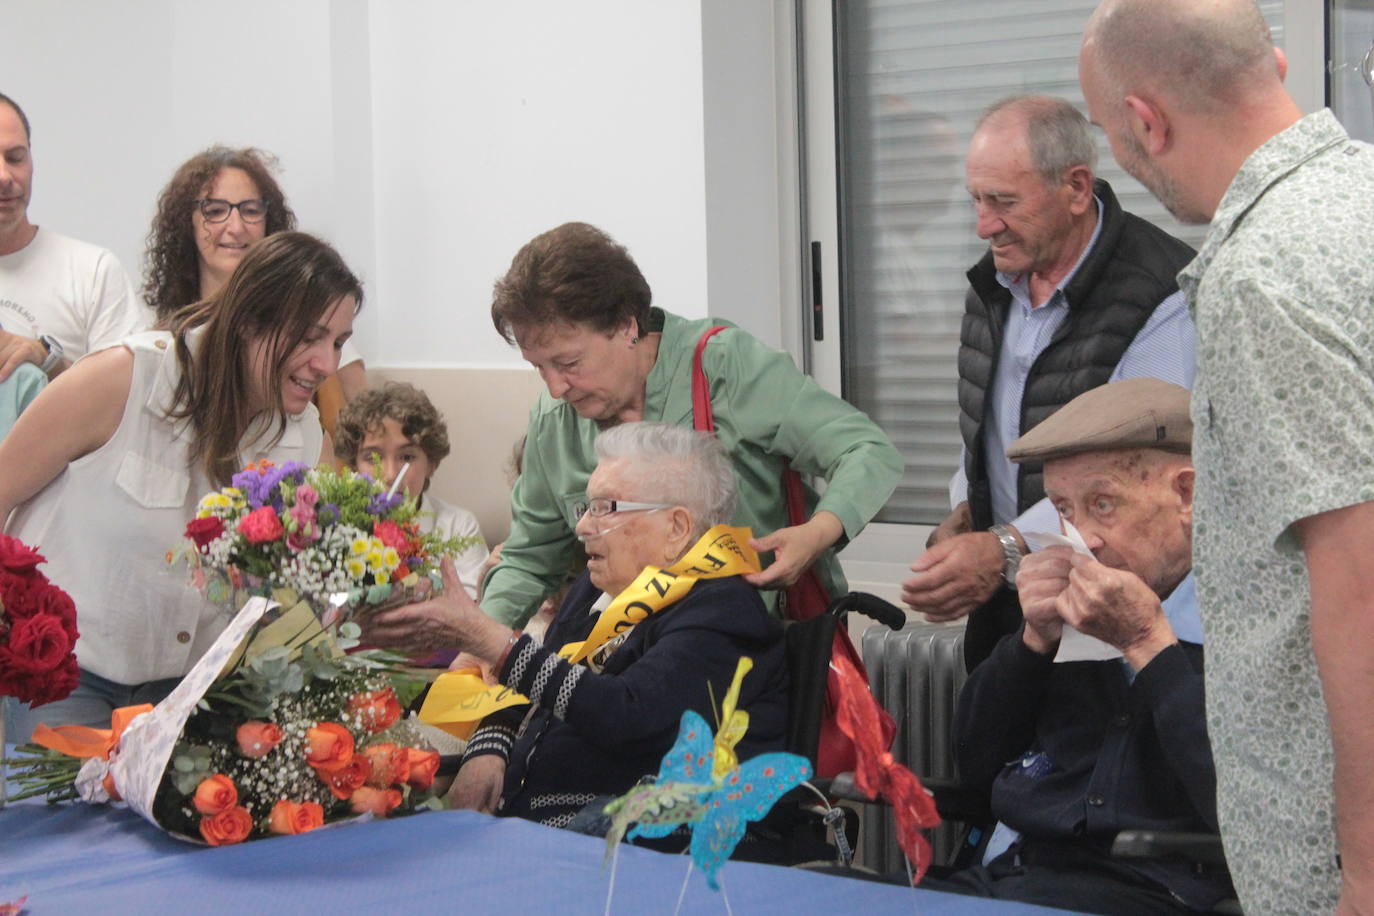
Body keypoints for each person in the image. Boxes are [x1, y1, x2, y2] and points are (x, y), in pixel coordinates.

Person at [1080, 2, 1373, 910]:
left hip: (1330, 847)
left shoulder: (1263, 276)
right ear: (1276, 66)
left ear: (1147, 121)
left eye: (1107, 134)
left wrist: (1364, 872)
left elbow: (1359, 579)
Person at [1, 231, 361, 741]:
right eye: (309, 337)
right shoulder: (124, 379)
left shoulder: (298, 434)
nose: (325, 363)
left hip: (188, 690)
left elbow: (295, 578)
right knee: (59, 823)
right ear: (247, 322)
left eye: (338, 343)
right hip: (68, 680)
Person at [475, 221, 903, 628]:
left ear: (627, 326)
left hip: (756, 658)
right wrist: (476, 648)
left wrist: (817, 533)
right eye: (539, 368)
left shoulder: (724, 367)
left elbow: (866, 450)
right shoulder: (555, 422)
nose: (554, 388)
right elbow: (529, 560)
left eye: (568, 363)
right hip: (630, 662)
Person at [360, 422, 787, 829]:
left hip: (635, 848)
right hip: (535, 823)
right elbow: (544, 684)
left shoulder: (720, 608)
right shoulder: (598, 587)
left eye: (606, 509)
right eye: (588, 507)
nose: (582, 526)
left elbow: (627, 715)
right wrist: (489, 745)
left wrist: (492, 642)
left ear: (676, 526)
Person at [899, 95, 1197, 671]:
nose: (984, 225)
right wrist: (967, 511)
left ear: (1077, 188)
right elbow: (989, 429)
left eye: (1003, 202)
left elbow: (1137, 487)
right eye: (976, 201)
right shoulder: (995, 281)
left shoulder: (1163, 296)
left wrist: (1002, 547)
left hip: (1122, 625)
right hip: (1020, 605)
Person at [934, 378, 1228, 914]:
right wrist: (1031, 643)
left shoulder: (1245, 626)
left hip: (1154, 892)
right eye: (1065, 510)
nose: (1082, 539)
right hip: (1014, 877)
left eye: (1103, 504)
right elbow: (977, 765)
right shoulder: (1078, 606)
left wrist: (1147, 644)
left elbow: (1245, 808)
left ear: (1186, 494)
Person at [141, 146, 367, 408]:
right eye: (214, 211)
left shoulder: (322, 329)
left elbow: (367, 435)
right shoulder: (153, 341)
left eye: (250, 210)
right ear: (185, 223)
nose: (236, 228)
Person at [0, 91, 148, 383]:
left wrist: (48, 360)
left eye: (15, 158)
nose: (4, 177)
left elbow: (129, 397)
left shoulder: (92, 271)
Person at [333, 381, 490, 599]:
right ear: (354, 465)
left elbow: (473, 605)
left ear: (431, 463)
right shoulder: (335, 530)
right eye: (372, 458)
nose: (389, 475)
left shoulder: (458, 526)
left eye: (406, 457)